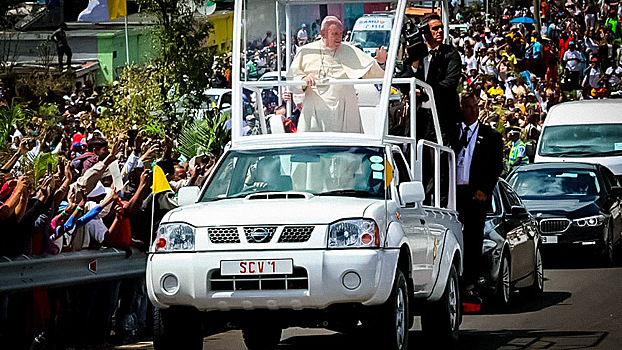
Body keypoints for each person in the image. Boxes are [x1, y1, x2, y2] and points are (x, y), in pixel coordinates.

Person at [288, 16, 386, 133]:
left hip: (345, 110)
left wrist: (381, 62)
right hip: (316, 112)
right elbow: (292, 79)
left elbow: (375, 74)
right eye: (334, 33)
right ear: (323, 33)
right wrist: (304, 80)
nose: (338, 38)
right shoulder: (306, 51)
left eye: (340, 34)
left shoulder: (351, 51)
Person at [452, 92, 503, 303]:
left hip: (475, 195)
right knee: (454, 239)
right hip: (454, 194)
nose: (472, 110)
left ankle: (470, 283)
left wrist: (485, 189)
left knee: (473, 240)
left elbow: (496, 166)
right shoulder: (452, 132)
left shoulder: (491, 136)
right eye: (467, 106)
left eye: (475, 106)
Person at [403, 13, 462, 144]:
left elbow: (450, 83)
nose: (440, 31)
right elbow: (402, 81)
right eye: (435, 28)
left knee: (442, 155)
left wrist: (425, 91)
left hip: (443, 115)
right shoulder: (417, 53)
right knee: (417, 153)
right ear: (425, 32)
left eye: (441, 27)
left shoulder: (451, 53)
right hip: (419, 116)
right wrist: (414, 65)